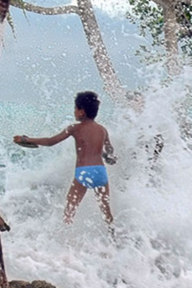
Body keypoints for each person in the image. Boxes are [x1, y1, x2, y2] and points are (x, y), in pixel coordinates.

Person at [14, 91, 116, 225]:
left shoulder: (75, 128)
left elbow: (51, 141)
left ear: (81, 111)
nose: (74, 111)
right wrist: (107, 157)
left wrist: (26, 139)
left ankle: (66, 236)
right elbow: (110, 151)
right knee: (106, 210)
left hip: (84, 172)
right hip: (100, 172)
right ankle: (113, 236)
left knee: (70, 209)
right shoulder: (102, 130)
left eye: (75, 108)